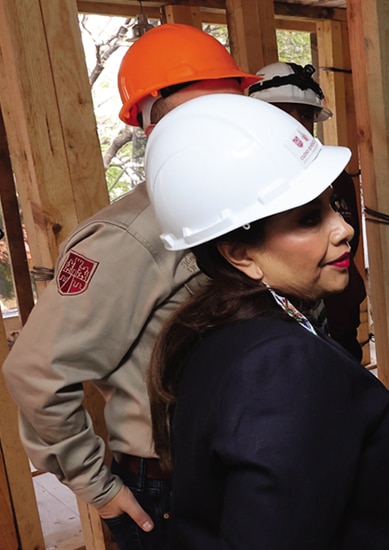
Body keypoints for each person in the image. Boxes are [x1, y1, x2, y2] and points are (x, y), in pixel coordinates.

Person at [1, 23, 259, 549]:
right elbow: (35, 372)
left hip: (243, 464)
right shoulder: (131, 236)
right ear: (150, 124)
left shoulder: (240, 210)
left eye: (226, 106)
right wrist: (99, 487)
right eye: (193, 112)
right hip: (170, 486)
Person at [144, 94, 389, 549]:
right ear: (241, 253)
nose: (343, 229)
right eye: (308, 219)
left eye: (331, 208)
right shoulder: (280, 364)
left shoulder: (223, 331)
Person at [248, 61, 367, 361]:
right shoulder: (249, 187)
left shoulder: (336, 176)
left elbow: (351, 244)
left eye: (304, 114)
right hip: (286, 337)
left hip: (341, 328)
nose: (295, 123)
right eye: (280, 113)